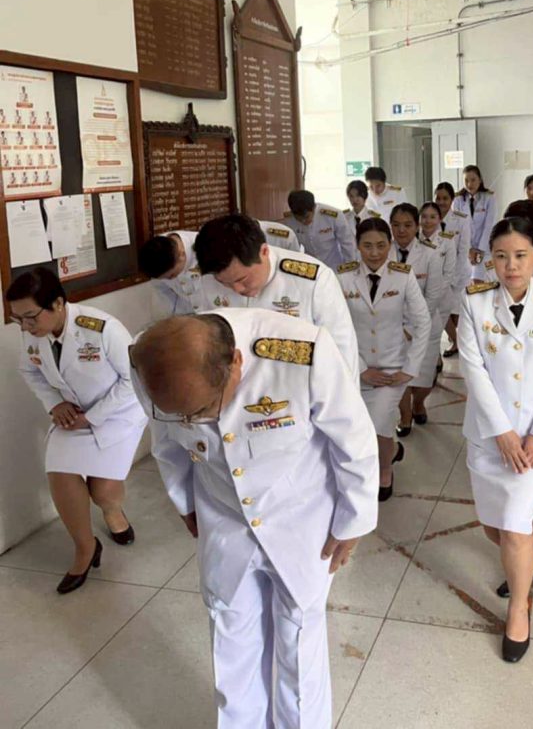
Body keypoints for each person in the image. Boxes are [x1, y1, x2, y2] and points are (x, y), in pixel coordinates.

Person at [130, 309, 378, 729]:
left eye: (202, 409)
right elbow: (165, 441)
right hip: (222, 517)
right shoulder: (146, 357)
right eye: (183, 414)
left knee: (298, 639)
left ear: (236, 365)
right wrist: (185, 503)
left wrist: (352, 523)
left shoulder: (303, 352)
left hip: (302, 519)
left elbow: (353, 440)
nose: (193, 422)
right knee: (231, 637)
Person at [459, 217, 533, 663]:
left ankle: (518, 610)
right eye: (501, 256)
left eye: (521, 255)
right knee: (494, 526)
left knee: (512, 526)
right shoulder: (475, 301)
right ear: (490, 259)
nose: (511, 266)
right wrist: (502, 433)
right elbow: (472, 369)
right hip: (489, 435)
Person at [7, 268, 146, 594]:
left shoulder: (102, 328)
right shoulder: (34, 331)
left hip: (117, 415)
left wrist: (93, 416)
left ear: (57, 303)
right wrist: (54, 403)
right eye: (17, 320)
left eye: (30, 317)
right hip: (72, 415)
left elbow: (134, 380)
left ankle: (112, 511)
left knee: (102, 492)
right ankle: (86, 548)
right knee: (59, 471)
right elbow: (30, 370)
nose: (24, 327)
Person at [194, 215, 359, 379]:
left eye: (242, 279)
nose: (236, 289)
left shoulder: (313, 280)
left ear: (264, 251)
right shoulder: (208, 280)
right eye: (224, 283)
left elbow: (342, 353)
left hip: (298, 387)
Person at [337, 218, 430, 500]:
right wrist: (361, 369)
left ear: (390, 245)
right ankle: (394, 450)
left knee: (377, 425)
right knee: (358, 426)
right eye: (367, 246)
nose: (374, 253)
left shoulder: (403, 276)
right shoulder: (342, 277)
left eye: (380, 245)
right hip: (357, 368)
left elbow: (422, 322)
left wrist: (410, 369)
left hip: (392, 371)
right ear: (357, 246)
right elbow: (336, 327)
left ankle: (385, 469)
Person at [388, 203, 443, 433]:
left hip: (425, 326)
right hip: (392, 328)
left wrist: (412, 327)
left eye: (407, 225)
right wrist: (399, 327)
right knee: (400, 377)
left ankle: (419, 403)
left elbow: (433, 295)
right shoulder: (383, 253)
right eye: (396, 225)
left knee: (424, 378)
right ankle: (405, 416)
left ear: (417, 226)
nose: (401, 230)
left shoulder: (430, 254)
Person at [433, 181, 472, 358]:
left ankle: (459, 342)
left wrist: (452, 278)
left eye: (445, 198)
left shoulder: (461, 219)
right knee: (441, 310)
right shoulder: (429, 217)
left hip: (458, 273)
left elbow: (463, 250)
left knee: (456, 313)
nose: (441, 202)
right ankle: (456, 341)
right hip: (437, 273)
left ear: (451, 200)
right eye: (438, 198)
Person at [281, 190, 356, 269]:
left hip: (334, 266)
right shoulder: (289, 221)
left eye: (306, 217)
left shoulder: (333, 215)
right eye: (299, 219)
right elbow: (291, 249)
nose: (304, 221)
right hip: (311, 267)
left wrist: (350, 267)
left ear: (314, 208)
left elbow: (347, 243)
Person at [138, 230, 206, 317]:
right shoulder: (156, 253)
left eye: (172, 275)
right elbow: (163, 292)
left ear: (181, 256)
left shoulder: (206, 247)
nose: (170, 280)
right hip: (186, 314)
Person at [452, 164, 496, 277]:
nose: (469, 184)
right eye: (466, 180)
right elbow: (457, 228)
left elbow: (489, 226)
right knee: (465, 283)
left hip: (484, 250)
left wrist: (480, 250)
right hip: (464, 250)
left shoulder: (489, 198)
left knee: (482, 281)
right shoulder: (457, 200)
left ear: (480, 180)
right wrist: (469, 249)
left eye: (473, 180)